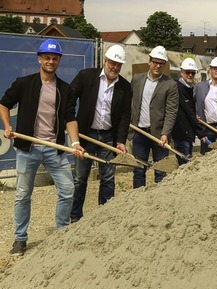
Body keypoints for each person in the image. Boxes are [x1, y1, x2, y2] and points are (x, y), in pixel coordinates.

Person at [0, 39, 84, 256]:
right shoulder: (24, 83)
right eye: (47, 57)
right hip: (27, 149)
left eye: (54, 58)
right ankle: (20, 239)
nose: (50, 61)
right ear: (39, 59)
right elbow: (4, 104)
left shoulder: (65, 89)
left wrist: (75, 143)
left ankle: (61, 233)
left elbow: (70, 118)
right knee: (23, 195)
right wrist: (8, 126)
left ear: (59, 61)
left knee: (67, 190)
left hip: (53, 148)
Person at [69, 44, 132, 223]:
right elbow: (70, 99)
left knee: (108, 178)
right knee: (80, 178)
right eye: (112, 63)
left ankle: (104, 217)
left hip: (108, 137)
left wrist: (120, 141)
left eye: (119, 64)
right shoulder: (86, 76)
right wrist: (72, 124)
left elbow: (125, 116)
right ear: (105, 61)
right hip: (86, 135)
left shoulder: (125, 87)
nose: (115, 67)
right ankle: (75, 218)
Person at [129, 45, 178, 188]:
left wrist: (165, 133)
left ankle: (158, 204)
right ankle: (138, 201)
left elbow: (171, 111)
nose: (157, 66)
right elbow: (130, 103)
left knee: (161, 171)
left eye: (161, 63)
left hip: (159, 135)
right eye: (155, 62)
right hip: (139, 132)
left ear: (164, 65)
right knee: (138, 170)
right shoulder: (137, 79)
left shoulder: (170, 84)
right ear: (149, 61)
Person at [172, 57, 203, 165]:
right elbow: (189, 111)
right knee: (184, 165)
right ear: (181, 72)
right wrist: (201, 133)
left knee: (187, 163)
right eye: (187, 72)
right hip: (181, 133)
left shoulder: (189, 88)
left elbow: (191, 111)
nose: (190, 75)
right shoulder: (179, 88)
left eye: (192, 73)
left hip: (188, 133)